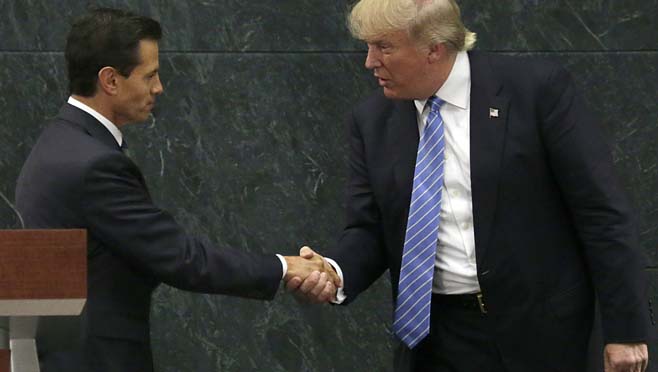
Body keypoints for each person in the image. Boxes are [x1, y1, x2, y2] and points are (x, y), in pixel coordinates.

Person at [287, 0, 651, 371]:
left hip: (543, 335)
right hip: (437, 339)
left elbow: (601, 212)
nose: (370, 61)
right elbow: (370, 228)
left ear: (434, 48)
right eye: (368, 46)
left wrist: (627, 329)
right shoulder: (372, 121)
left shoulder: (534, 91)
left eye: (384, 46)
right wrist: (335, 271)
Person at [15, 8, 339, 372]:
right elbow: (182, 258)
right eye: (149, 75)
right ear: (110, 80)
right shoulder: (93, 164)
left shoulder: (61, 141)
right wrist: (283, 267)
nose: (159, 87)